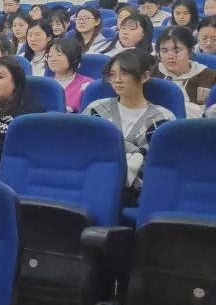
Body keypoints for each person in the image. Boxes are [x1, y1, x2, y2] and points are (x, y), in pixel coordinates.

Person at [83, 51, 175, 198]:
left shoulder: (163, 118)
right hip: (92, 183)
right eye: (112, 74)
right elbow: (81, 149)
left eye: (124, 73)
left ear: (145, 76)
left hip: (140, 193)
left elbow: (161, 167)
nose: (117, 80)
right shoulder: (96, 109)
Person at [154, 26, 216, 117]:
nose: (170, 56)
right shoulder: (151, 74)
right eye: (164, 51)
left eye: (177, 50)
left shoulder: (209, 77)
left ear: (190, 51)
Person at [46, 37, 93, 112]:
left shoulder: (88, 85)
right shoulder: (44, 84)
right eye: (50, 55)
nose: (53, 59)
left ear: (73, 57)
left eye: (59, 55)